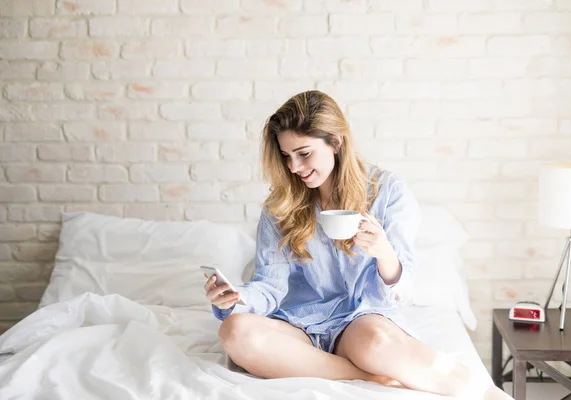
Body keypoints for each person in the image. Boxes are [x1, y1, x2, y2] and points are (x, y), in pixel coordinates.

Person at [204, 90, 512, 400]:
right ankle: (366, 375)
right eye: (286, 156)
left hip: (360, 319)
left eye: (304, 153)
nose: (294, 166)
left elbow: (398, 294)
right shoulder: (280, 206)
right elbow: (269, 287)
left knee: (379, 343)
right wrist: (234, 298)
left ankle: (489, 395)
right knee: (235, 331)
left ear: (335, 142)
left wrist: (383, 251)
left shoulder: (387, 191)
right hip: (297, 322)